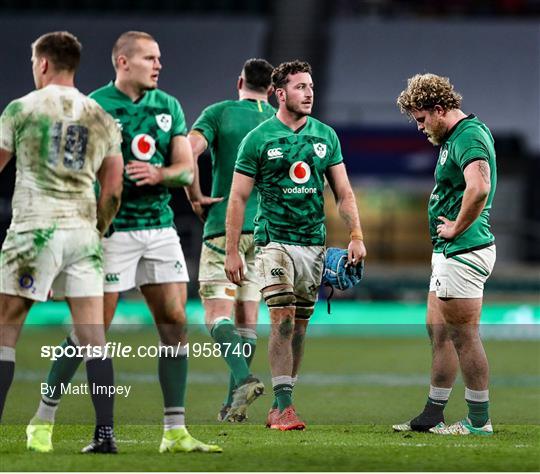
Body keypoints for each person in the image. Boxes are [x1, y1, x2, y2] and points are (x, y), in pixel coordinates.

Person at [27, 31, 222, 453]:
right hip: (112, 230)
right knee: (90, 331)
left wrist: (160, 175)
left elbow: (186, 170)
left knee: (175, 327)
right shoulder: (95, 106)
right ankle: (43, 417)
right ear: (123, 62)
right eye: (150, 58)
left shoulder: (167, 106)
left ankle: (175, 432)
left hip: (159, 228)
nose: (159, 65)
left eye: (159, 57)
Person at [224, 60, 367, 431]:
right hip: (273, 241)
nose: (309, 93)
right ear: (280, 93)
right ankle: (285, 408)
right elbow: (238, 198)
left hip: (313, 245)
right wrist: (231, 249)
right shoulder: (258, 138)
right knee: (282, 317)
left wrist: (356, 236)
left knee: (300, 326)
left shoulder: (326, 136)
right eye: (301, 87)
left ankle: (278, 403)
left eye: (311, 87)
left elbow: (344, 192)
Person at [0, 31, 124, 453]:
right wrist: (96, 233)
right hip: (83, 234)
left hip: (34, 228)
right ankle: (105, 436)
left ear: (44, 64)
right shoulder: (102, 117)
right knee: (94, 338)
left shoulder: (22, 108)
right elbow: (113, 191)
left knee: (5, 331)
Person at [393, 73, 497, 435]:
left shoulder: (469, 135)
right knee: (439, 331)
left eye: (422, 120)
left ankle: (479, 422)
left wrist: (455, 227)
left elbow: (479, 186)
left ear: (439, 109)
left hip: (465, 248)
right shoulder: (453, 139)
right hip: (448, 251)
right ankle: (433, 412)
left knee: (464, 334)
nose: (420, 128)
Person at [186, 58, 275, 422]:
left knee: (216, 316)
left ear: (239, 81)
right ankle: (231, 409)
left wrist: (196, 195)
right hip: (265, 233)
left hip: (226, 228)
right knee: (247, 322)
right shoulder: (279, 121)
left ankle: (244, 377)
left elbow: (188, 151)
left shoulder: (219, 112)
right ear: (271, 89)